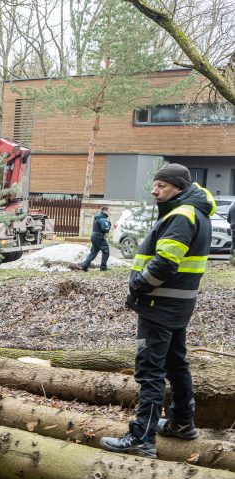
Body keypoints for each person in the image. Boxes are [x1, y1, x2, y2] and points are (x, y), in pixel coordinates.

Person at [101, 164, 216, 458]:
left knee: (150, 370)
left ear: (178, 187)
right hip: (177, 305)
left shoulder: (181, 215)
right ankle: (181, 422)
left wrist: (138, 286)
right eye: (154, 185)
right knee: (176, 364)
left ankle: (142, 437)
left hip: (159, 304)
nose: (154, 191)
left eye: (161, 186)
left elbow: (166, 261)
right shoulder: (194, 212)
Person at [80, 206, 111, 271]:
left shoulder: (97, 218)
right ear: (104, 211)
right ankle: (103, 267)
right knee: (106, 251)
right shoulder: (103, 219)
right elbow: (105, 229)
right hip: (99, 237)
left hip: (94, 237)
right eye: (108, 211)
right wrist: (108, 225)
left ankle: (84, 267)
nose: (109, 212)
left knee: (93, 253)